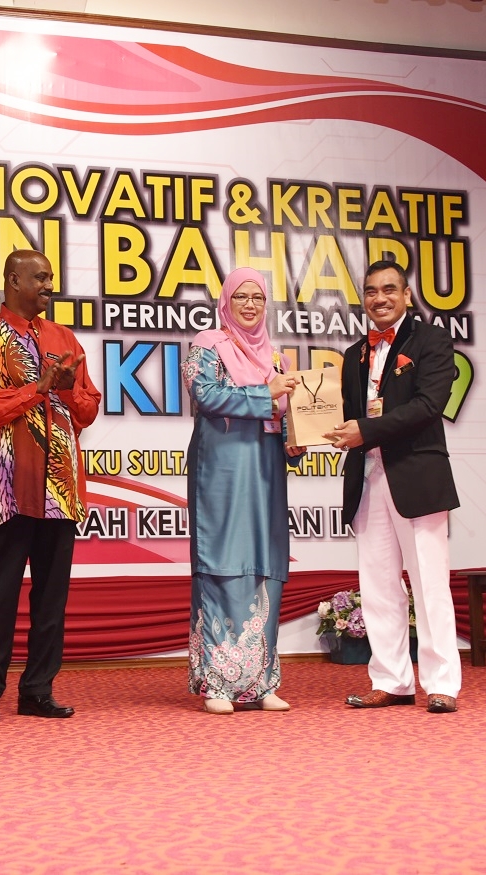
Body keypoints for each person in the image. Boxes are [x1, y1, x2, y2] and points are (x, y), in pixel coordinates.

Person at [0, 249, 101, 723]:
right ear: (13, 280)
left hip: (60, 488)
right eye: (40, 278)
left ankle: (38, 689)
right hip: (7, 486)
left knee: (51, 599)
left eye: (51, 278)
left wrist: (65, 388)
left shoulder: (63, 338)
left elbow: (88, 410)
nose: (49, 286)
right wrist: (36, 389)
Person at [324, 260, 462, 713]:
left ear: (406, 295)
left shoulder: (432, 341)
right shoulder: (353, 355)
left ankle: (442, 684)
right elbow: (346, 415)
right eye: (370, 291)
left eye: (388, 290)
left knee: (429, 584)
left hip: (415, 476)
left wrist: (366, 429)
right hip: (367, 477)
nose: (379, 298)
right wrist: (306, 435)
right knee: (378, 587)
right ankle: (391, 680)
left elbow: (428, 405)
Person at [182, 267, 303, 715]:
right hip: (222, 470)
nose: (250, 305)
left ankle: (261, 682)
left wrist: (296, 439)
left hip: (266, 469)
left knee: (266, 564)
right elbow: (206, 396)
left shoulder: (277, 358)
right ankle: (217, 684)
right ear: (226, 302)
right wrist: (264, 394)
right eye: (241, 297)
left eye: (258, 298)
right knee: (223, 563)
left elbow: (285, 416)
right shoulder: (208, 345)